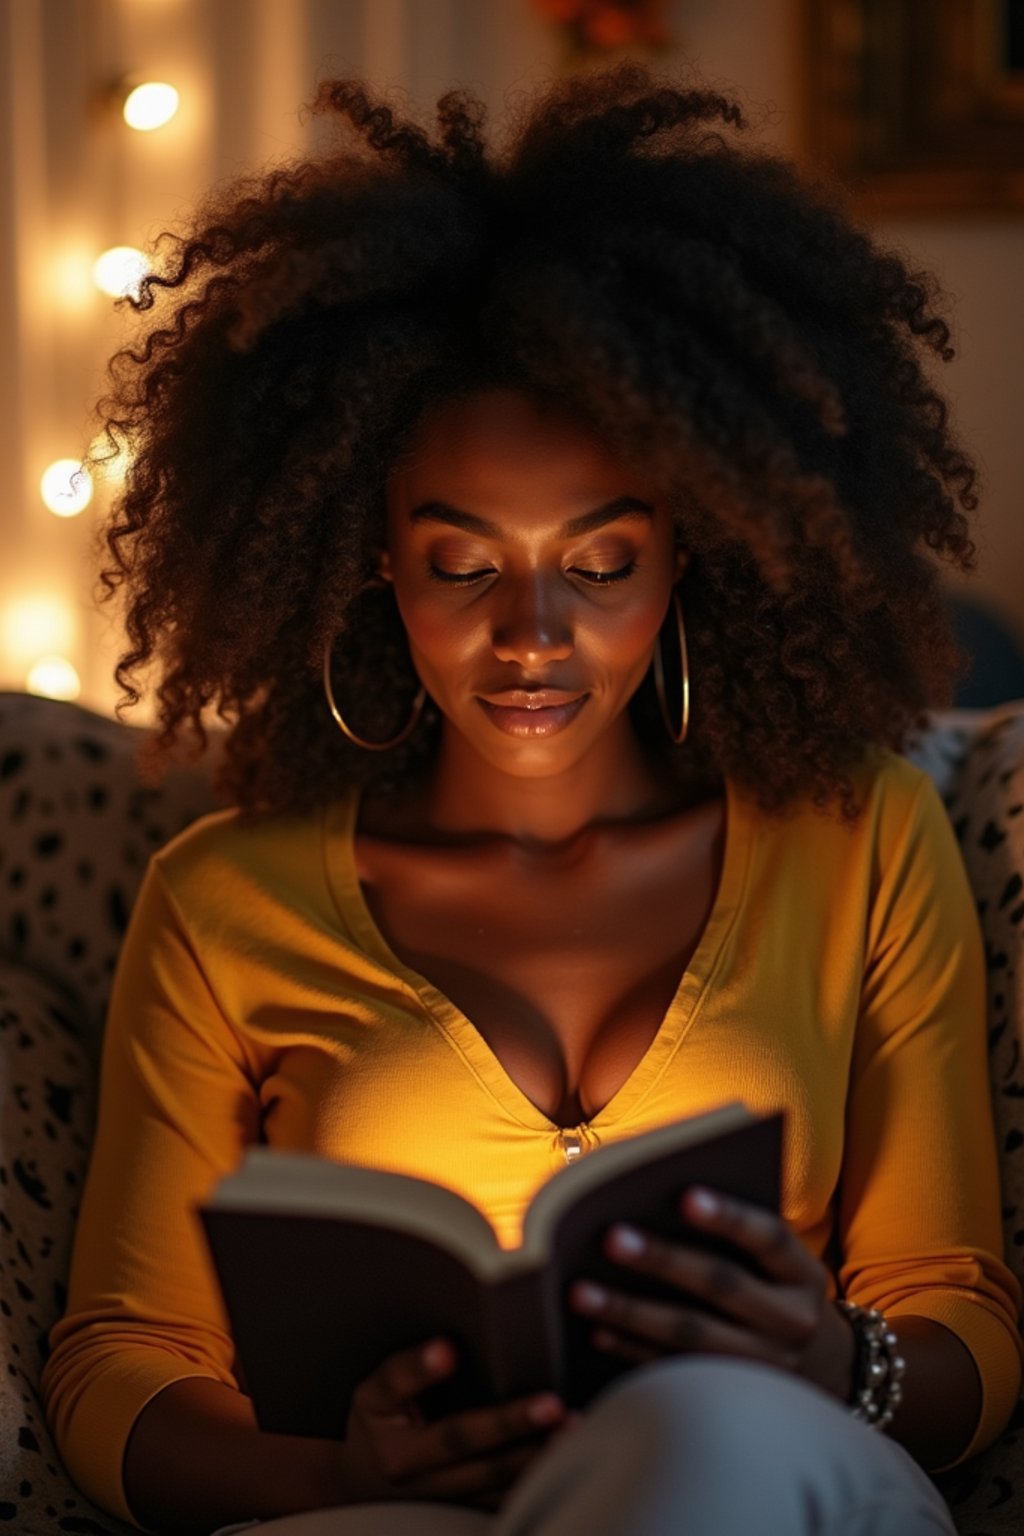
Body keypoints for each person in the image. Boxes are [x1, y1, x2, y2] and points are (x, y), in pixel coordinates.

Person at [41, 62, 1022, 1536]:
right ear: (371, 557)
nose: (534, 634)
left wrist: (835, 1359)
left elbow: (963, 1313)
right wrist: (340, 1474)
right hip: (395, 1513)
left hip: (776, 1473)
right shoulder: (220, 902)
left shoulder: (863, 838)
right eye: (461, 563)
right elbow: (121, 1367)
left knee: (704, 1438)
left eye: (604, 561)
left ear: (696, 545)